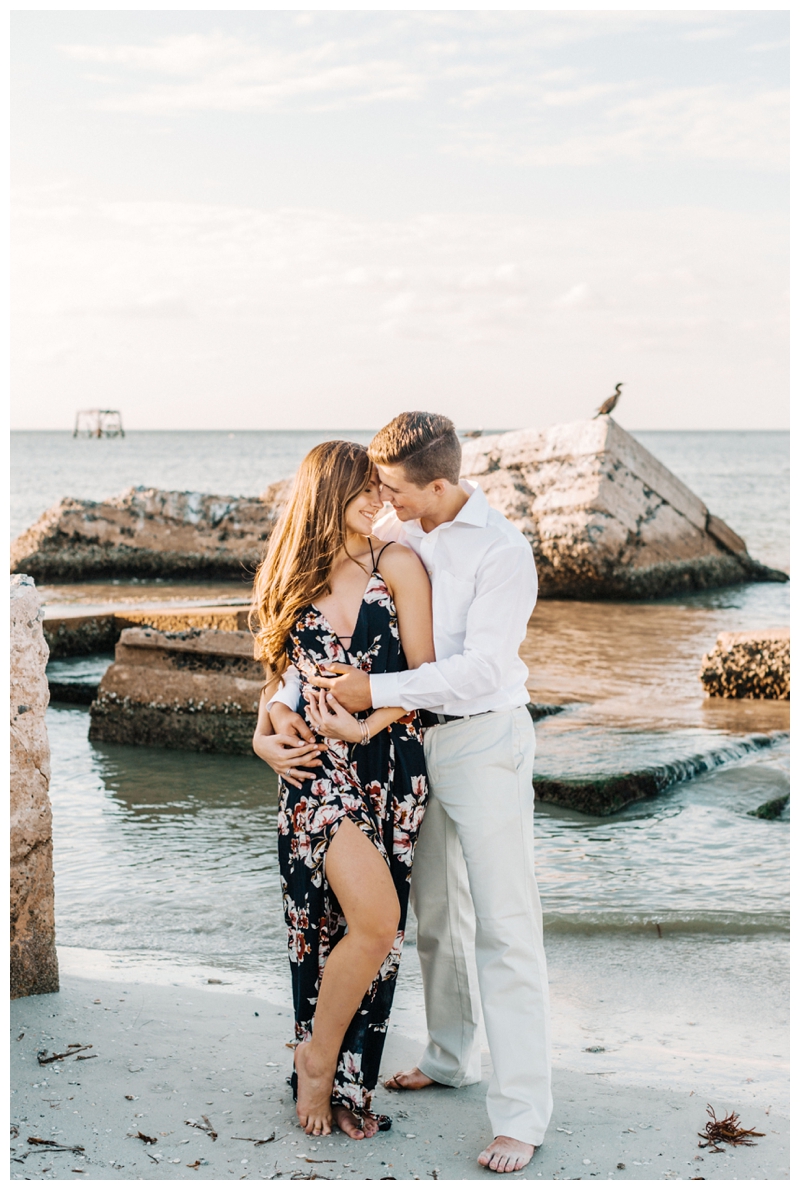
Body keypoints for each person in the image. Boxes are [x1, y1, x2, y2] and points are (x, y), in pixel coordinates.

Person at [267, 412, 551, 1174]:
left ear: (438, 484)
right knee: (435, 920)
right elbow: (305, 654)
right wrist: (270, 724)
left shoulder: (501, 550)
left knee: (505, 926)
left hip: (484, 737)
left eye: (391, 486)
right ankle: (452, 1055)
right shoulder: (401, 535)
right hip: (412, 751)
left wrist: (370, 694)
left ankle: (521, 1114)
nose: (380, 499)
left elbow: (484, 671)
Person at [251, 440, 434, 1142]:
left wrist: (365, 728)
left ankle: (345, 1077)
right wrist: (259, 738)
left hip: (390, 767)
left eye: (382, 487)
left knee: (367, 934)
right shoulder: (288, 578)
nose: (380, 498)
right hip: (314, 772)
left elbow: (424, 677)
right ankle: (319, 1060)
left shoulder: (398, 564)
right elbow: (275, 688)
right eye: (365, 487)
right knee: (375, 917)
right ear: (329, 491)